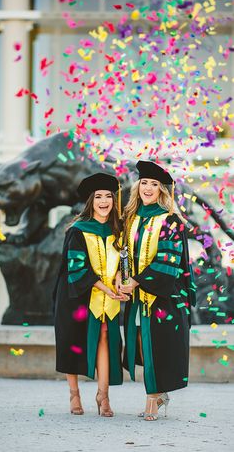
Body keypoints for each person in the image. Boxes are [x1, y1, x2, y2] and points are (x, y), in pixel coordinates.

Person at [117, 160, 196, 421]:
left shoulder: (171, 220)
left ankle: (152, 399)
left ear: (162, 190)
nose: (148, 188)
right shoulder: (130, 218)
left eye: (154, 184)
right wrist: (122, 275)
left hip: (164, 295)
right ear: (138, 186)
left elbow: (168, 260)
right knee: (142, 344)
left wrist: (138, 281)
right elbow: (124, 253)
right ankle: (159, 394)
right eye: (144, 183)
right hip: (137, 294)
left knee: (156, 345)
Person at [53, 172, 128, 417]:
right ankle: (74, 394)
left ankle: (102, 396)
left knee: (105, 336)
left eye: (108, 196)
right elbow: (76, 268)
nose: (104, 201)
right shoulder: (77, 230)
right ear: (90, 201)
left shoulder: (118, 229)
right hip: (75, 293)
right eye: (98, 197)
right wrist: (107, 288)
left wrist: (119, 277)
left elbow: (124, 262)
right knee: (72, 341)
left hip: (106, 293)